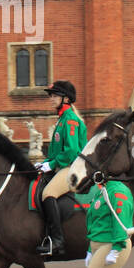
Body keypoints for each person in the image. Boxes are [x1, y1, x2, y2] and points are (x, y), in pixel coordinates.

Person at [33, 80, 88, 257]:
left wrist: (53, 164)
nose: (51, 98)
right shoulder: (62, 119)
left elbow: (72, 152)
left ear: (66, 98)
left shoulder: (70, 121)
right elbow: (57, 150)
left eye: (55, 95)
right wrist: (45, 163)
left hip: (73, 168)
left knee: (48, 193)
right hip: (62, 166)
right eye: (51, 95)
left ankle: (57, 241)